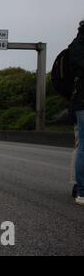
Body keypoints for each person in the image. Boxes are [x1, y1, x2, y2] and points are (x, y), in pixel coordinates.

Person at [69, 20, 84, 205]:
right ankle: (80, 189)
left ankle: (80, 189)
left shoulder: (76, 45)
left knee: (82, 145)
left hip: (80, 100)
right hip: (81, 100)